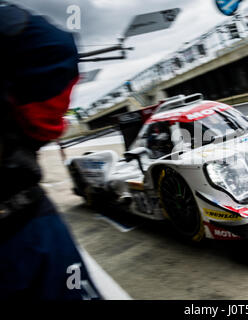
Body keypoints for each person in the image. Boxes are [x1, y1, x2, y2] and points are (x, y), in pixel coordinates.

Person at [0, 2, 101, 300]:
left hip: (22, 228)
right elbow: (55, 47)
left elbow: (53, 47)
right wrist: (36, 132)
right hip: (22, 227)